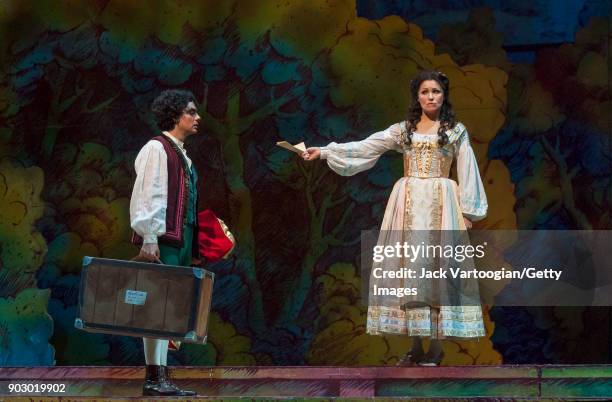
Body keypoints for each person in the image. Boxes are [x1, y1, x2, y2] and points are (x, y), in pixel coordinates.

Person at [302, 70, 488, 366]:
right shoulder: (405, 130)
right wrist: (325, 152)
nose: (430, 97)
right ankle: (416, 344)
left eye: (436, 92)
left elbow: (467, 169)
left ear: (444, 96)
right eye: (425, 91)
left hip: (442, 205)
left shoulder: (455, 130)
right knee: (409, 270)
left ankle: (436, 348)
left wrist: (469, 213)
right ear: (417, 96)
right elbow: (367, 145)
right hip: (409, 203)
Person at [130, 89, 200, 396]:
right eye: (191, 112)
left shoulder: (181, 153)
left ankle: (161, 377)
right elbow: (150, 193)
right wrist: (149, 236)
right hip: (163, 239)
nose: (197, 118)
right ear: (175, 115)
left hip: (180, 239)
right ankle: (153, 377)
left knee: (170, 308)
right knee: (156, 306)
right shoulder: (156, 149)